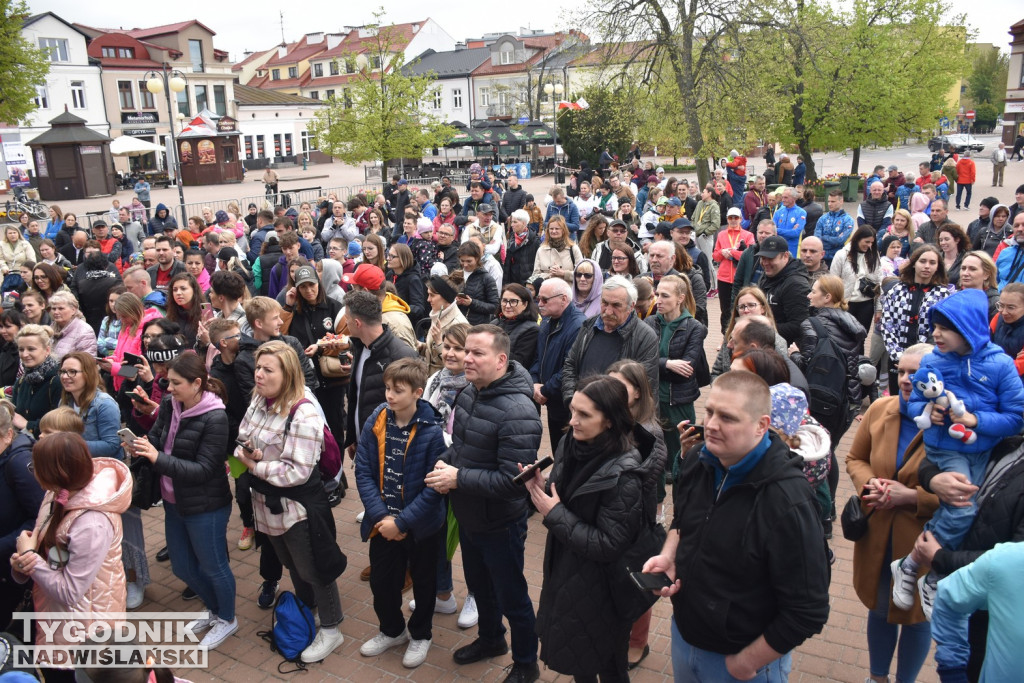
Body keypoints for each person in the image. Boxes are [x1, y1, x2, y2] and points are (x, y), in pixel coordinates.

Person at [642, 371, 830, 682]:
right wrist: (669, 556)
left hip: (740, 661)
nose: (712, 425)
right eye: (710, 411)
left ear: (762, 425)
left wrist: (747, 661)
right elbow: (683, 519)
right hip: (686, 637)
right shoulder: (698, 461)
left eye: (727, 417)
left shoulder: (788, 502)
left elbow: (808, 609)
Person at [894, 289, 1024, 616]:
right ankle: (923, 569)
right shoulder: (933, 361)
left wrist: (975, 419)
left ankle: (915, 566)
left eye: (945, 327)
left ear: (968, 328)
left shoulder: (1000, 365)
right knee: (963, 509)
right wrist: (928, 413)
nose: (935, 333)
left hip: (982, 451)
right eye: (934, 326)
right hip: (946, 450)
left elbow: (1015, 416)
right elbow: (914, 403)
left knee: (970, 510)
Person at [424, 325, 542, 683]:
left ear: (501, 360)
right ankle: (491, 640)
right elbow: (464, 448)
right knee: (480, 585)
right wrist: (445, 461)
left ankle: (526, 664)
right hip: (470, 515)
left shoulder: (519, 411)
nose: (466, 358)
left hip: (499, 523)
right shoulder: (473, 392)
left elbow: (514, 483)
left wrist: (458, 478)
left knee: (512, 597)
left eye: (477, 353)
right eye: (466, 351)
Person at [233, 341, 347, 664]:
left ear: (288, 374)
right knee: (290, 563)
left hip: (296, 507)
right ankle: (307, 608)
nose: (258, 374)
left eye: (268, 369)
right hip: (266, 504)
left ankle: (332, 626)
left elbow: (296, 471)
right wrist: (249, 451)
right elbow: (244, 433)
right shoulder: (259, 399)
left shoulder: (303, 412)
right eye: (258, 367)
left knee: (313, 567)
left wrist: (255, 465)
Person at [527, 375, 647, 681]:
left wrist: (554, 514)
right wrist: (543, 484)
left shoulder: (625, 474)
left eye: (584, 415)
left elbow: (608, 544)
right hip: (568, 570)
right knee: (579, 657)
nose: (573, 421)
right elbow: (565, 489)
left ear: (609, 421)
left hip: (604, 588)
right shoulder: (572, 441)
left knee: (608, 664)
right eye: (572, 411)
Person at [127, 351, 235, 649]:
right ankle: (214, 609)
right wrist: (144, 446)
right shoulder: (168, 404)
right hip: (173, 499)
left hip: (206, 505)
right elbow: (160, 439)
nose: (168, 387)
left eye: (175, 383)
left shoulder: (216, 417)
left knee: (214, 566)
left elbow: (203, 470)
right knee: (182, 567)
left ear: (197, 383)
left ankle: (227, 617)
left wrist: (157, 458)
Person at [845, 343, 936, 683]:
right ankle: (877, 677)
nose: (906, 379)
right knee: (881, 609)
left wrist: (913, 497)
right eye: (901, 371)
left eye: (916, 372)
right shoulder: (880, 409)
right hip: (878, 535)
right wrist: (871, 485)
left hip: (922, 542)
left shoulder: (949, 425)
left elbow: (966, 493)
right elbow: (855, 459)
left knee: (917, 617)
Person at [10, 432, 130, 682]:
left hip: (85, 637)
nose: (32, 472)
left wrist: (31, 557)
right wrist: (23, 562)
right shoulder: (56, 494)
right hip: (60, 622)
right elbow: (49, 554)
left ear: (55, 472)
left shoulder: (92, 523)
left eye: (36, 467)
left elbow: (70, 591)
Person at [354, 357, 445, 669]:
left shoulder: (433, 430)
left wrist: (404, 521)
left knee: (424, 581)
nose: (390, 396)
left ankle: (421, 633)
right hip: (383, 523)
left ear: (417, 392)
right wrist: (382, 518)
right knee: (382, 582)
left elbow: (435, 488)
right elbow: (363, 470)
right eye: (388, 389)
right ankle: (392, 630)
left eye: (398, 390)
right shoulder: (377, 419)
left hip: (422, 526)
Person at [646, 274, 707, 478]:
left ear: (680, 298)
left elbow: (686, 371)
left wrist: (655, 365)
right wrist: (668, 363)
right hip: (651, 398)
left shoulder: (694, 327)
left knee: (680, 454)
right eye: (657, 295)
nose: (659, 300)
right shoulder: (650, 322)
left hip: (678, 400)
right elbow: (637, 361)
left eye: (665, 296)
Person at [562, 276, 659, 402]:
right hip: (582, 412)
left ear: (631, 306)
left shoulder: (645, 337)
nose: (608, 311)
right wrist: (571, 400)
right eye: (604, 303)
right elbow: (570, 365)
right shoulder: (588, 325)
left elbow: (644, 388)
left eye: (616, 305)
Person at [280, 265, 346, 445]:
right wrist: (287, 306)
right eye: (303, 287)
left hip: (332, 381)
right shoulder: (294, 311)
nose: (309, 291)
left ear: (319, 283)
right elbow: (280, 335)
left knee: (334, 430)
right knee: (309, 431)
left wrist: (321, 347)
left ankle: (337, 471)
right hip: (305, 382)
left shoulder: (335, 307)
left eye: (312, 285)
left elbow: (346, 340)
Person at [881, 244, 955, 395]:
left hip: (927, 360)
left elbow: (940, 330)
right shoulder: (896, 291)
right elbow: (887, 324)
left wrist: (923, 357)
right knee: (898, 401)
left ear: (937, 267)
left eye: (932, 263)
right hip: (897, 359)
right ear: (914, 263)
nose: (927, 266)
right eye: (923, 261)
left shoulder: (943, 295)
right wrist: (899, 356)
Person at [0, 399, 44, 629]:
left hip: (13, 567)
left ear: (8, 435)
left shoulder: (19, 464)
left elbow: (39, 518)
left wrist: (5, 544)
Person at [828, 225, 884, 340]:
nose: (869, 245)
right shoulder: (841, 255)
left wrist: (879, 309)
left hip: (866, 304)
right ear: (858, 238)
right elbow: (833, 282)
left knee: (860, 338)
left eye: (872, 243)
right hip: (846, 303)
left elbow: (879, 283)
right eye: (866, 242)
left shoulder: (874, 255)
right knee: (843, 337)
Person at [757, 234, 811, 344]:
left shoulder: (796, 284)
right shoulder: (768, 275)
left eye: (771, 258)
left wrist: (761, 328)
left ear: (785, 256)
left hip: (786, 350)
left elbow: (799, 325)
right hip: (768, 343)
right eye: (763, 258)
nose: (765, 263)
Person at [11, 325, 62, 437]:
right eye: (21, 349)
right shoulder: (21, 382)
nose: (24, 354)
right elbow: (14, 417)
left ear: (47, 350)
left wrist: (28, 425)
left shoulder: (58, 381)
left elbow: (62, 424)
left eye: (31, 349)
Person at [712, 207, 755, 333]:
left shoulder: (748, 235)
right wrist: (722, 253)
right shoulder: (721, 234)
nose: (733, 220)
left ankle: (740, 335)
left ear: (741, 219)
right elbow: (715, 256)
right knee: (725, 310)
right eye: (730, 218)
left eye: (736, 217)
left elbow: (749, 255)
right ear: (727, 219)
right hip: (724, 277)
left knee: (740, 308)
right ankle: (725, 337)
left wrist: (732, 252)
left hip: (740, 277)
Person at [455, 242, 499, 326]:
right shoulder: (456, 275)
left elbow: (494, 307)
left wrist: (472, 303)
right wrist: (455, 302)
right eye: (462, 261)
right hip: (457, 325)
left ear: (477, 259)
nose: (465, 265)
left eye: (469, 261)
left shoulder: (487, 278)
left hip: (477, 326)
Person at [531, 215, 583, 285]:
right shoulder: (541, 250)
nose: (554, 231)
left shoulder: (573, 249)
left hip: (568, 292)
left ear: (563, 230)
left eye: (557, 228)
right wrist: (549, 275)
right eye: (551, 229)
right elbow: (535, 275)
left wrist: (563, 273)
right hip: (547, 292)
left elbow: (582, 274)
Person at [385, 243, 426, 328]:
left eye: (392, 256)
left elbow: (419, 309)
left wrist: (399, 307)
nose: (388, 258)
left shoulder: (413, 279)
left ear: (403, 259)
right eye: (388, 255)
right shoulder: (389, 275)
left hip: (407, 326)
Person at [815, 190, 856, 264]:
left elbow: (840, 240)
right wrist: (834, 239)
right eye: (828, 201)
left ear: (841, 201)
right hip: (821, 258)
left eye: (833, 201)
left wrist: (824, 237)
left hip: (838, 259)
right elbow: (817, 239)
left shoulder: (848, 220)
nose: (829, 204)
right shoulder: (823, 218)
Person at [503, 210, 540, 286]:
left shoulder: (535, 241)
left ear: (523, 223)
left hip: (528, 283)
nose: (512, 225)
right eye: (512, 222)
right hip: (513, 282)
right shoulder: (511, 239)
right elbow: (507, 264)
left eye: (515, 222)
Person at [773, 187, 807, 256]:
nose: (783, 200)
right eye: (782, 197)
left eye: (786, 198)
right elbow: (772, 231)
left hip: (793, 250)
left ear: (794, 198)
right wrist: (790, 231)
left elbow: (796, 233)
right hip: (778, 248)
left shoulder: (801, 212)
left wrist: (778, 230)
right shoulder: (778, 212)